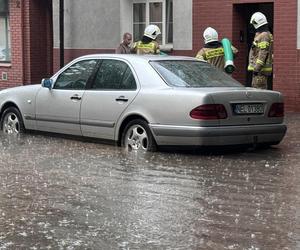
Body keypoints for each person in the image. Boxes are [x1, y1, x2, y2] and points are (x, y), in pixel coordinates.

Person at [248, 12, 273, 89]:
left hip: (260, 71)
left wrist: (257, 68)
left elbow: (263, 53)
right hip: (259, 70)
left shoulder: (264, 35)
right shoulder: (261, 35)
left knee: (259, 92)